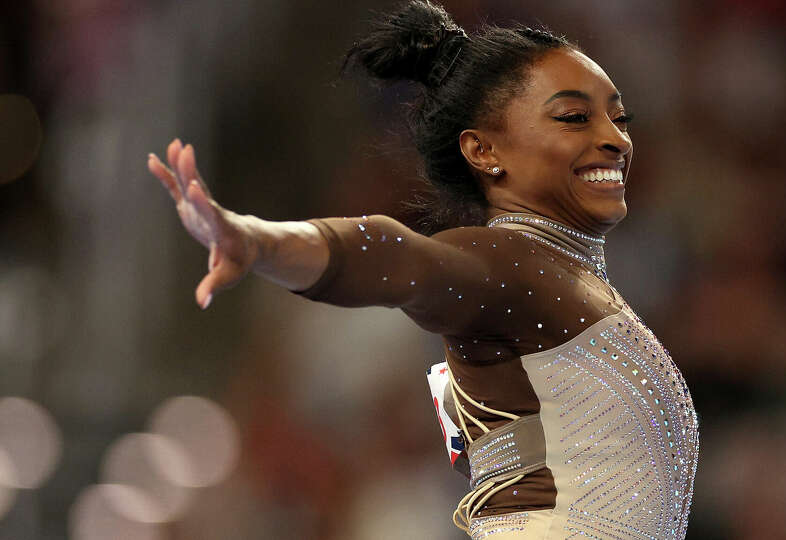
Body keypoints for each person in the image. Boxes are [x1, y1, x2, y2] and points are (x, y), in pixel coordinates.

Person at [147, 1, 699, 538]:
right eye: (574, 117)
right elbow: (394, 255)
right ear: (484, 151)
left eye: (618, 116)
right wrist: (258, 241)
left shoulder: (567, 285)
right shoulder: (503, 264)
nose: (614, 138)